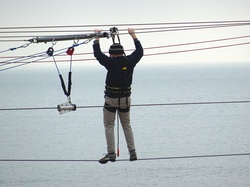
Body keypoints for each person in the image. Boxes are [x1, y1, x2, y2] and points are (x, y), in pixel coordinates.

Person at [93, 28, 143, 164]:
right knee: (126, 124)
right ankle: (132, 151)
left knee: (109, 125)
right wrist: (133, 35)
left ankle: (111, 154)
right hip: (126, 99)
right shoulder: (130, 61)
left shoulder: (111, 63)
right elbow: (140, 52)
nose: (109, 56)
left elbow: (97, 54)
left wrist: (97, 37)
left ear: (113, 55)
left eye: (110, 55)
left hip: (111, 99)